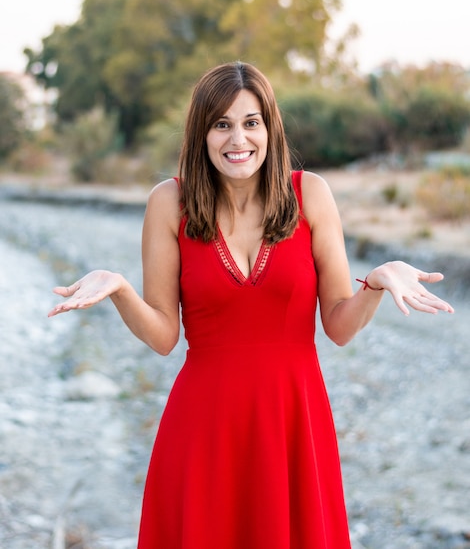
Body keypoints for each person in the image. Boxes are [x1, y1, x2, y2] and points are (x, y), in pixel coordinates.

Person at [48, 61, 454, 549]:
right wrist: (119, 289)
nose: (237, 139)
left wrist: (376, 284)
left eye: (250, 122)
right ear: (201, 133)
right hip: (204, 429)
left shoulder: (311, 195)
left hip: (292, 424)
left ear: (269, 128)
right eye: (221, 124)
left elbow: (340, 327)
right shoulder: (168, 203)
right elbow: (163, 336)